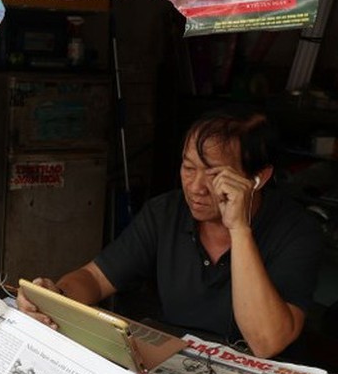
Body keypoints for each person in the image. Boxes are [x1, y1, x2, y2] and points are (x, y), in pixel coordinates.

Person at [19, 108, 321, 359]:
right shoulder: (165, 213)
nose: (195, 187)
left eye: (215, 175)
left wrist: (239, 230)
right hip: (181, 368)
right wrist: (53, 298)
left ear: (258, 178)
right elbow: (96, 279)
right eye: (189, 168)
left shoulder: (296, 230)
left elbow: (267, 342)